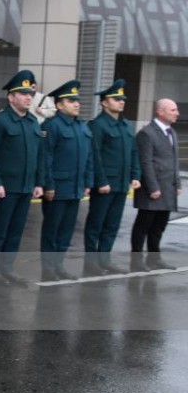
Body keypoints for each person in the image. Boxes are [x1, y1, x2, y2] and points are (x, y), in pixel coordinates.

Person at [0, 71, 44, 287]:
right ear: (11, 97)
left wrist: (38, 182)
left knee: (16, 230)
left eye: (30, 93)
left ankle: (7, 269)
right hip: (6, 187)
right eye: (22, 94)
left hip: (26, 186)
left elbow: (38, 155)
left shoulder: (32, 122)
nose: (28, 97)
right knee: (0, 229)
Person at [83, 80, 141, 275]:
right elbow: (95, 155)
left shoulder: (125, 125)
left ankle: (104, 259)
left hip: (121, 184)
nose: (121, 102)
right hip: (106, 184)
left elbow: (133, 152)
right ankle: (91, 262)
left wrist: (135, 175)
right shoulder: (98, 125)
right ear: (104, 102)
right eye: (116, 99)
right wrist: (101, 181)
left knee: (112, 224)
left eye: (122, 99)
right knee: (96, 224)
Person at [39, 80, 93, 280]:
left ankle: (59, 266)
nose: (77, 104)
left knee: (66, 230)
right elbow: (46, 158)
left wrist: (87, 182)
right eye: (71, 101)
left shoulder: (81, 127)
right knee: (52, 230)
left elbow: (88, 157)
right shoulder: (51, 126)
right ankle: (48, 268)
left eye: (77, 100)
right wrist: (49, 185)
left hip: (75, 188)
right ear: (59, 105)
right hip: (58, 188)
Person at [132, 99, 181, 271]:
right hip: (152, 188)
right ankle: (136, 260)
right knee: (144, 225)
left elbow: (174, 160)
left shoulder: (171, 132)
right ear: (160, 111)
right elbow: (146, 162)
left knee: (159, 226)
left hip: (168, 187)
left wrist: (178, 183)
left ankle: (154, 257)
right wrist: (153, 187)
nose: (177, 113)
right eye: (173, 110)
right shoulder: (147, 133)